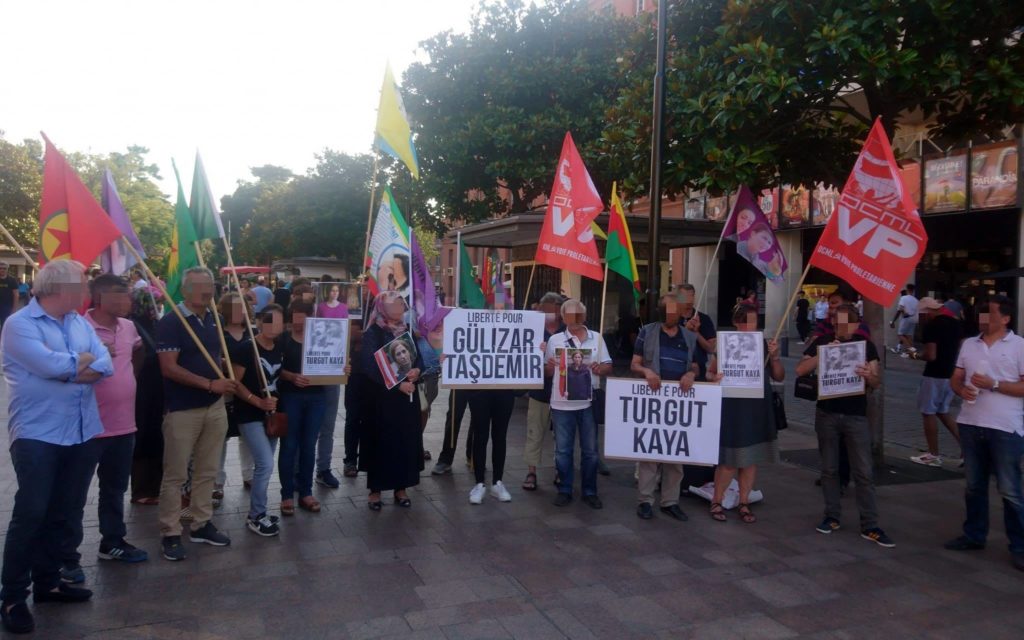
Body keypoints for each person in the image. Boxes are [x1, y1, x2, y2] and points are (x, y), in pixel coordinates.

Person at [0, 260, 113, 634]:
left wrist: (74, 366)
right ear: (61, 289)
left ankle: (47, 583)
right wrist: (77, 364)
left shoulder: (79, 323)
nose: (86, 293)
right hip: (37, 434)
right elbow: (50, 366)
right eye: (82, 286)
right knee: (31, 512)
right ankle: (13, 595)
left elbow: (105, 363)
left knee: (64, 511)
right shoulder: (19, 325)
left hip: (81, 431)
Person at [61, 275, 148, 578]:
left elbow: (137, 352)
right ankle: (67, 557)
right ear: (100, 297)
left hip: (124, 425)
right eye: (121, 294)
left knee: (115, 488)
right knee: (75, 494)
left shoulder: (129, 327)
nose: (128, 299)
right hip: (87, 427)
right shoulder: (76, 327)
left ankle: (112, 541)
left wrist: (128, 380)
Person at [155, 267, 238, 561]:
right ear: (185, 290)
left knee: (207, 470)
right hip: (182, 409)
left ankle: (201, 524)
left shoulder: (212, 319)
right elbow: (169, 367)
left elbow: (214, 355)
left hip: (213, 407)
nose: (207, 291)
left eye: (210, 285)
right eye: (200, 286)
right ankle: (170, 531)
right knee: (176, 474)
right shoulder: (171, 323)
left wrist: (223, 372)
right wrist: (209, 383)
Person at [796, 303, 893, 547]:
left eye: (845, 323)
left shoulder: (865, 346)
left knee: (863, 471)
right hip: (827, 412)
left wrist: (868, 375)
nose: (840, 327)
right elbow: (800, 369)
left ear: (855, 323)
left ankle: (870, 523)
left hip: (856, 414)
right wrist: (822, 355)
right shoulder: (822, 340)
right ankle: (831, 516)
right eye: (836, 322)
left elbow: (876, 380)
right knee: (829, 468)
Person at [945, 295, 1024, 572]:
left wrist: (994, 384)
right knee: (974, 486)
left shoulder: (1019, 346)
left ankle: (1020, 546)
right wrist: (960, 389)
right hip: (970, 422)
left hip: (1005, 427)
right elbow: (956, 377)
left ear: (1005, 318)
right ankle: (974, 535)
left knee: (1010, 490)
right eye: (980, 313)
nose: (983, 318)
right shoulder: (968, 344)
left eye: (989, 314)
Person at [707, 303, 784, 523]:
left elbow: (779, 376)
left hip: (757, 406)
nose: (749, 327)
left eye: (753, 322)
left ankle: (744, 501)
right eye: (745, 322)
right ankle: (717, 500)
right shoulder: (725, 344)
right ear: (736, 323)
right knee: (729, 458)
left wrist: (776, 357)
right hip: (733, 405)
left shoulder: (764, 345)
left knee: (751, 458)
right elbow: (710, 373)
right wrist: (716, 379)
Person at [630, 291, 699, 522]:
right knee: (650, 454)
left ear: (680, 312)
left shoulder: (689, 336)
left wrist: (691, 373)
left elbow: (697, 366)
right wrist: (647, 371)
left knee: (675, 455)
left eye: (675, 310)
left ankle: (670, 501)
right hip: (653, 401)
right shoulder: (647, 332)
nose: (671, 314)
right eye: (667, 310)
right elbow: (635, 364)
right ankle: (645, 501)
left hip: (678, 403)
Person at [545, 299, 612, 509]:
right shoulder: (555, 340)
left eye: (577, 314)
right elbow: (546, 372)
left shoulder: (597, 338)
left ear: (583, 316)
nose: (573, 319)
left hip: (587, 402)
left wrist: (600, 368)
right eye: (569, 315)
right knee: (563, 451)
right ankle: (565, 489)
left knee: (590, 451)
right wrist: (549, 365)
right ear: (563, 317)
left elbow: (608, 365)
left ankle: (590, 491)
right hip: (561, 403)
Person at [360, 291, 424, 509]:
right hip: (381, 400)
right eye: (396, 304)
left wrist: (417, 370)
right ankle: (375, 491)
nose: (401, 308)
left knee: (404, 440)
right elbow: (369, 367)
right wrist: (398, 386)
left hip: (407, 399)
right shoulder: (373, 333)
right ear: (384, 307)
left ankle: (401, 487)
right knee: (381, 442)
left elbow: (419, 358)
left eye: (401, 304)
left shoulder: (406, 331)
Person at [231, 304, 284, 537]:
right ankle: (256, 516)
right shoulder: (246, 348)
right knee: (264, 463)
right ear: (260, 322)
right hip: (250, 414)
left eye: (279, 322)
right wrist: (256, 401)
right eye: (270, 321)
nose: (274, 326)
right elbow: (235, 383)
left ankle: (258, 512)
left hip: (272, 415)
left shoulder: (280, 347)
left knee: (265, 463)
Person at [277, 299, 326, 515]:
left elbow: (333, 363)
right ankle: (287, 494)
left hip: (317, 397)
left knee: (309, 444)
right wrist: (291, 376)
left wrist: (343, 367)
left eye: (303, 315)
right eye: (295, 315)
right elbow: (273, 367)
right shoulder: (283, 339)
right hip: (290, 397)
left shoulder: (320, 338)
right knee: (289, 445)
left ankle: (306, 492)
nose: (299, 320)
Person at [909, 297, 963, 467]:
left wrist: (916, 355)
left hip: (934, 374)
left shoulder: (932, 326)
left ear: (928, 312)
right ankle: (969, 449)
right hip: (951, 373)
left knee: (928, 412)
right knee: (943, 411)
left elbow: (931, 355)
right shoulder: (956, 324)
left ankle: (933, 454)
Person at [522, 292, 564, 490]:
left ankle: (560, 471)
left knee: (562, 435)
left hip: (563, 394)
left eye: (554, 308)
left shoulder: (568, 331)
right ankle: (531, 472)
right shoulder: (534, 331)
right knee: (534, 432)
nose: (550, 312)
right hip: (539, 392)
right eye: (546, 308)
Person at [130, 286, 166, 505]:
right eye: (154, 303)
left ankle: (155, 486)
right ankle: (142, 489)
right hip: (141, 389)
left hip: (157, 389)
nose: (158, 307)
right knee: (143, 436)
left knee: (156, 436)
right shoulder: (133, 325)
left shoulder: (154, 324)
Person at [467, 387, 518, 505]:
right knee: (480, 436)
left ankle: (497, 482)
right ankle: (479, 483)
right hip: (479, 390)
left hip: (504, 389)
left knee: (500, 436)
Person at [675, 283, 716, 381]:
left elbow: (711, 349)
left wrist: (696, 333)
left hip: (699, 371)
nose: (689, 300)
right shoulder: (673, 318)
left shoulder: (704, 319)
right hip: (675, 367)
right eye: (685, 297)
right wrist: (686, 330)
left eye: (691, 296)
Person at [342, 319, 366, 477]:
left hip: (372, 381)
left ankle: (369, 459)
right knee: (352, 420)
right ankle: (350, 460)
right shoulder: (345, 343)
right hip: (353, 381)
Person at [890, 283, 919, 356]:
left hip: (906, 318)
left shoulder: (904, 298)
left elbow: (900, 309)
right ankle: (912, 354)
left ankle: (912, 349)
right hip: (913, 319)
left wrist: (893, 321)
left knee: (900, 335)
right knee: (909, 336)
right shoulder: (916, 300)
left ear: (907, 289)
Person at [0, 261, 20, 330]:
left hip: (7, 307)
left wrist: (14, 309)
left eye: (4, 268)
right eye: (0, 268)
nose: (2, 270)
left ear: (7, 269)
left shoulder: (12, 280)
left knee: (5, 326)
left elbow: (16, 295)